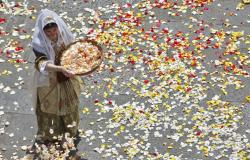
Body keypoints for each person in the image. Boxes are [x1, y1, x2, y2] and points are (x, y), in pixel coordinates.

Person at [28, 9, 83, 159]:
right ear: (43, 32)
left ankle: (68, 131)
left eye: (54, 30)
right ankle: (53, 133)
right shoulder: (38, 43)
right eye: (49, 32)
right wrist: (60, 69)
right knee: (50, 106)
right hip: (49, 79)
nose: (53, 34)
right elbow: (42, 64)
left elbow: (72, 51)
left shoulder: (63, 36)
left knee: (68, 104)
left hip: (66, 77)